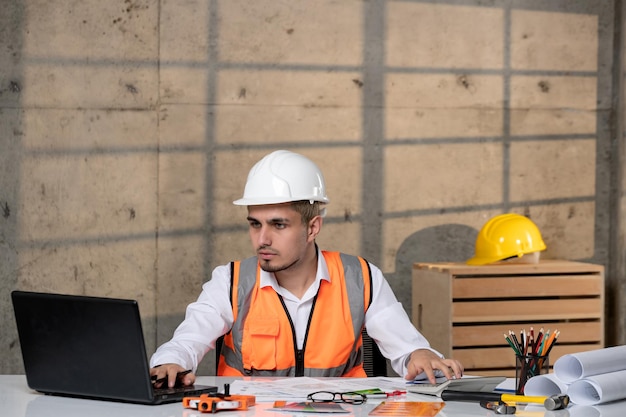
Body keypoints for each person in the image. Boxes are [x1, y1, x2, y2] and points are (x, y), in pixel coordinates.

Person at [150, 150, 463, 388]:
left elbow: (407, 348)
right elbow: (188, 339)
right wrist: (170, 362)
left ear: (313, 227)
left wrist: (420, 355)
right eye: (255, 224)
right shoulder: (231, 282)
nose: (262, 239)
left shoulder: (360, 278)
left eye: (279, 225)